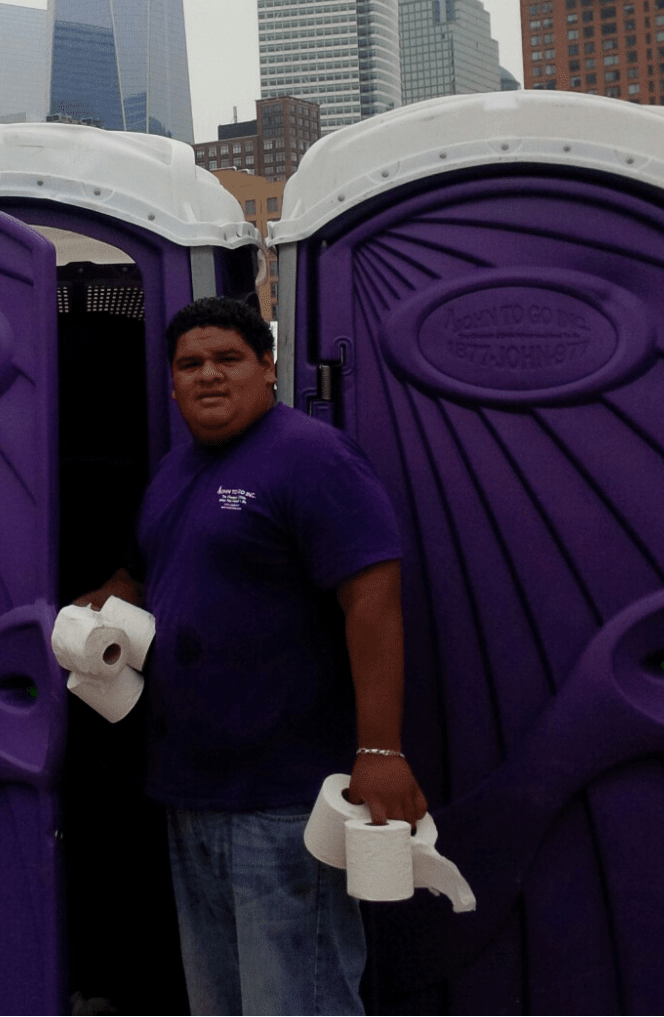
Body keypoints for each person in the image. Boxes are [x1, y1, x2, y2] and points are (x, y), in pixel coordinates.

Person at [75, 295, 426, 1017]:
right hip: (189, 794)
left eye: (227, 359)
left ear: (267, 368)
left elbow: (373, 599)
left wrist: (381, 750)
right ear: (170, 383)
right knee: (222, 1004)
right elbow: (143, 568)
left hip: (282, 800)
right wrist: (107, 596)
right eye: (190, 364)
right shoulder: (176, 471)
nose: (208, 376)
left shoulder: (310, 457)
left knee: (297, 1002)